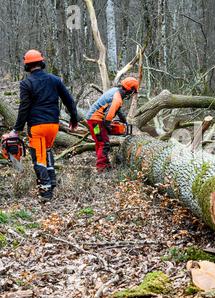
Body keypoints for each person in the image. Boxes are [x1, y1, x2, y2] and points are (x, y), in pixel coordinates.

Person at [3, 49, 78, 201]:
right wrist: (74, 119)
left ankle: (46, 192)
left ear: (27, 66)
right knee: (47, 150)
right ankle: (51, 181)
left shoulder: (26, 83)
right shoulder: (55, 80)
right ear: (41, 62)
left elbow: (24, 108)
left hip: (37, 127)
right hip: (53, 125)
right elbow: (69, 100)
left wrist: (16, 130)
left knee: (38, 158)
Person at [86, 77, 138, 172]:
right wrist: (108, 126)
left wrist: (124, 120)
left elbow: (117, 110)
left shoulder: (115, 91)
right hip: (96, 122)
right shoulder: (117, 98)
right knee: (104, 143)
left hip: (92, 120)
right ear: (130, 90)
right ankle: (101, 168)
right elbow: (108, 117)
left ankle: (105, 164)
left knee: (99, 141)